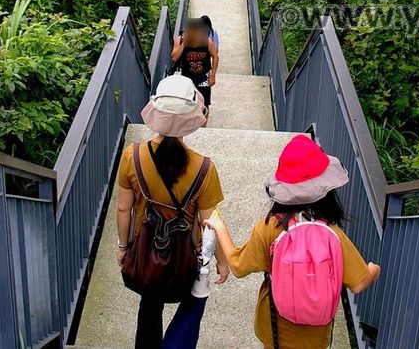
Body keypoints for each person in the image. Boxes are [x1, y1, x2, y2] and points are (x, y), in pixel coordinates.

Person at [205, 135, 381, 349]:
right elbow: (359, 282)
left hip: (274, 327)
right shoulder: (331, 233)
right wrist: (374, 269)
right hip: (316, 335)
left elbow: (238, 267)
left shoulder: (269, 227)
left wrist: (220, 227)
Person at [116, 74, 229, 349]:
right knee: (191, 306)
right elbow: (210, 221)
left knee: (149, 309)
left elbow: (123, 208)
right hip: (184, 263)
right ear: (191, 117)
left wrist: (124, 246)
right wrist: (223, 260)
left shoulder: (134, 156)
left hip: (146, 256)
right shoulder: (204, 168)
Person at [170, 18, 219, 119]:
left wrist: (213, 75)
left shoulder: (206, 41)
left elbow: (215, 56)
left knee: (205, 104)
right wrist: (184, 43)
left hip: (203, 77)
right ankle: (188, 125)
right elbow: (174, 58)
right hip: (187, 78)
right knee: (186, 102)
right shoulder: (180, 40)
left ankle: (203, 128)